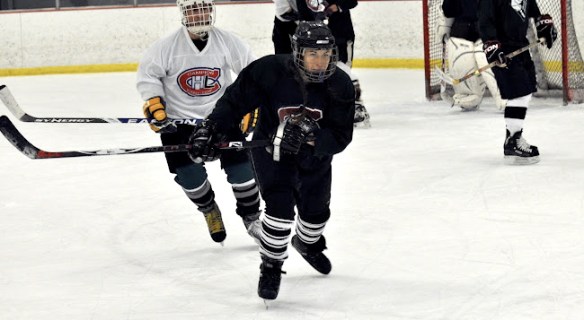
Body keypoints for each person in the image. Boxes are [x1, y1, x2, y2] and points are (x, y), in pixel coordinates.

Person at [187, 21, 355, 300]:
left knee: (315, 216)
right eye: (313, 54)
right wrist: (211, 128)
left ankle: (307, 243)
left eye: (325, 55)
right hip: (271, 154)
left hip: (315, 160)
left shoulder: (340, 84)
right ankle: (271, 266)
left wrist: (312, 137)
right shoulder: (269, 70)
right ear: (298, 51)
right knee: (279, 212)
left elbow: (341, 136)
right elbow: (234, 102)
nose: (320, 62)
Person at [136, 0, 262, 244]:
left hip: (221, 118)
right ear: (183, 13)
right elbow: (148, 75)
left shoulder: (228, 41)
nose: (199, 14)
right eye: (193, 9)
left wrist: (251, 104)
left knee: (242, 172)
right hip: (178, 123)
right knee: (190, 178)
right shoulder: (166, 47)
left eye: (203, 8)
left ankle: (253, 219)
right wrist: (154, 102)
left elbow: (251, 74)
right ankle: (209, 209)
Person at [478, 0, 557, 164]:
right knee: (519, 93)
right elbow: (485, 19)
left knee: (524, 92)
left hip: (520, 46)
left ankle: (513, 137)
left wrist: (543, 22)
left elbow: (533, 10)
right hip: (503, 50)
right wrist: (491, 43)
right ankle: (513, 142)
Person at [272, 0, 370, 127]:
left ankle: (351, 103)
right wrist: (289, 13)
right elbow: (284, 13)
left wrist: (338, 6)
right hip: (295, 26)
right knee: (290, 68)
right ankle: (296, 106)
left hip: (335, 26)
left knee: (339, 66)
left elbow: (350, 2)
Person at [436, 0, 507, 111]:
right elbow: (448, 10)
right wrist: (444, 25)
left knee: (488, 52)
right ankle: (468, 93)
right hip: (461, 35)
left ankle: (504, 94)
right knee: (469, 99)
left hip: (488, 34)